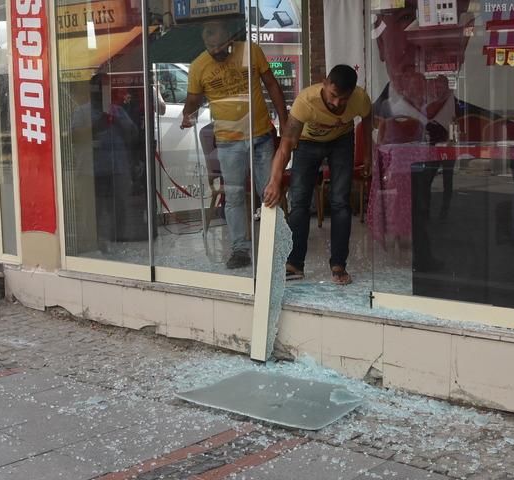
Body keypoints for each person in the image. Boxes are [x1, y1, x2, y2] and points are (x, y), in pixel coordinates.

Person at [371, 0, 496, 270]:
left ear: (464, 37)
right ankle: (422, 256)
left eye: (442, 20)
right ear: (381, 42)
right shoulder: (370, 122)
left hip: (469, 244)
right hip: (406, 182)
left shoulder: (487, 126)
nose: (423, 43)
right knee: (418, 207)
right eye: (406, 18)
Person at [181, 19, 288, 269]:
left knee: (269, 193)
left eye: (220, 45)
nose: (216, 51)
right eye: (211, 47)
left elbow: (271, 84)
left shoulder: (250, 51)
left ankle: (278, 247)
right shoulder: (199, 66)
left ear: (230, 37)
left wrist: (284, 120)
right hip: (228, 142)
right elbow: (192, 101)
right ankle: (240, 250)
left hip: (261, 135)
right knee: (235, 196)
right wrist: (188, 114)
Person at [263, 65, 372, 285]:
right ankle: (294, 264)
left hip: (341, 141)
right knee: (300, 202)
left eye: (343, 99)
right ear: (324, 83)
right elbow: (285, 147)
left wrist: (368, 154)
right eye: (333, 95)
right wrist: (274, 182)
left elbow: (368, 121)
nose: (336, 103)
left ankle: (339, 265)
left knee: (341, 202)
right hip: (307, 143)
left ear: (352, 93)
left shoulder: (360, 98)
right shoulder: (306, 102)